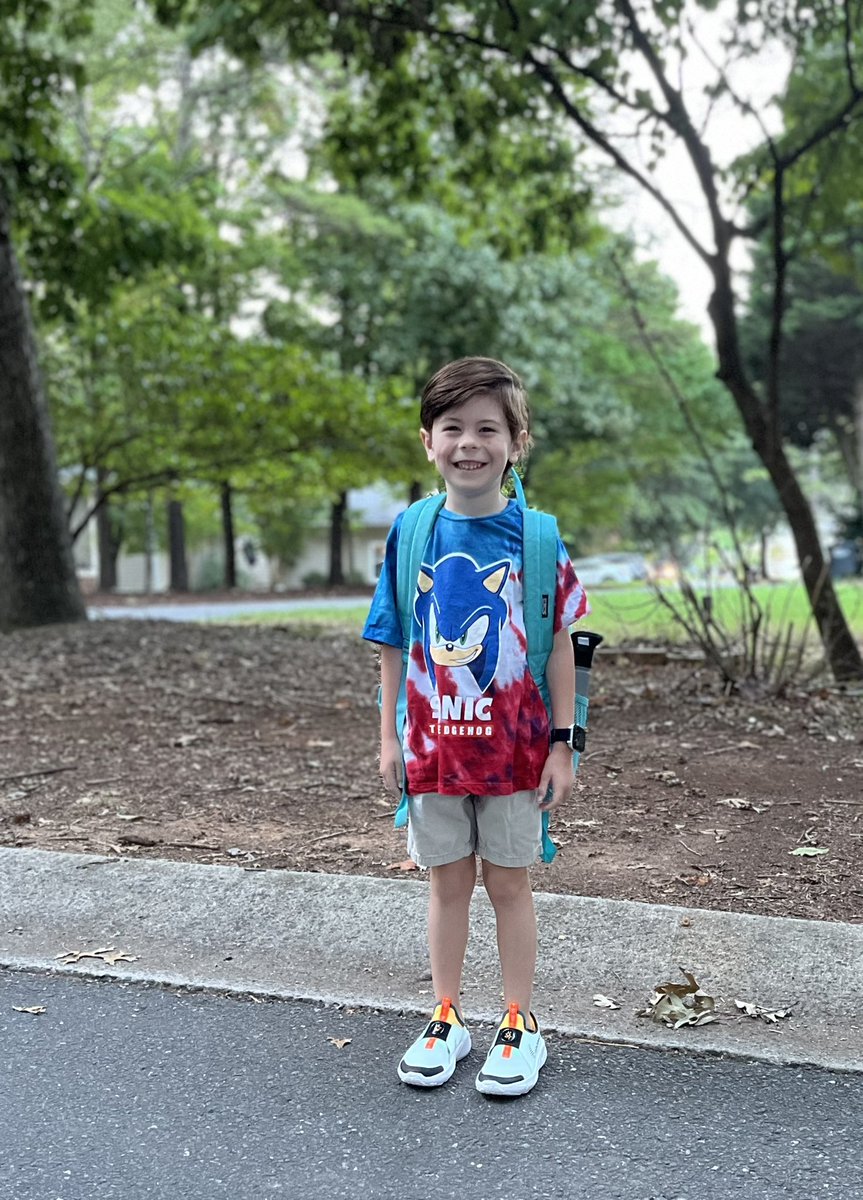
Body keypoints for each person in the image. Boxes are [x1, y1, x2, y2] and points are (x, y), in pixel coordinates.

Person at [363, 357, 589, 1097]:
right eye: (452, 427)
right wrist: (389, 737)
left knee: (509, 884)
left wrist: (564, 744)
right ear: (427, 441)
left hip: (515, 755)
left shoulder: (537, 537)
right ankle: (447, 1016)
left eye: (488, 429)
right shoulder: (411, 532)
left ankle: (519, 1020)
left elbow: (559, 646)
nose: (469, 443)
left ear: (516, 442)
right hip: (432, 752)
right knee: (447, 883)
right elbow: (394, 640)